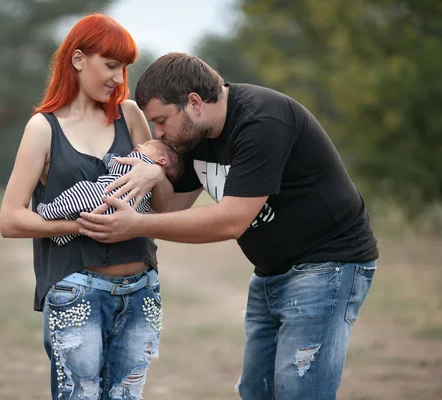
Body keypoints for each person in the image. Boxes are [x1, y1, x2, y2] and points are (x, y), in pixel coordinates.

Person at [76, 52, 379, 400]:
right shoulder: (194, 136)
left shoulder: (261, 120)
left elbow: (232, 220)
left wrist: (135, 225)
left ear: (194, 102)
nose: (158, 132)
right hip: (270, 273)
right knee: (256, 392)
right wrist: (156, 170)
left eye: (161, 120)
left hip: (328, 265)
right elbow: (172, 206)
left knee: (298, 392)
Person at [0, 14, 174, 400]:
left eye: (125, 67)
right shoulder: (43, 128)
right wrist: (80, 226)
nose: (119, 77)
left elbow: (160, 209)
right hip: (76, 290)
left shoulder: (130, 115)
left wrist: (155, 175)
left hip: (142, 288)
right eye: (111, 65)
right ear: (78, 59)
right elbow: (10, 219)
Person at [37, 139, 181, 246]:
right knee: (82, 218)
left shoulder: (139, 161)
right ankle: (61, 236)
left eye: (147, 145)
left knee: (81, 192)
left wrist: (108, 158)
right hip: (124, 212)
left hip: (103, 197)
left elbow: (117, 163)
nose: (139, 145)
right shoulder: (151, 189)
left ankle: (49, 211)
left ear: (161, 160)